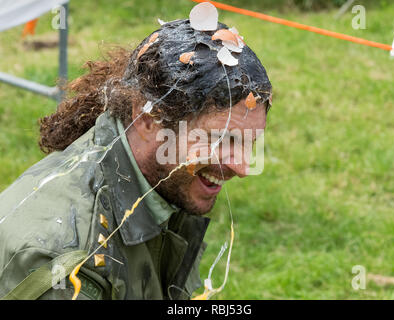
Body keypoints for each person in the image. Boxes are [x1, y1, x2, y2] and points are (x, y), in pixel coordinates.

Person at [0, 17, 272, 300]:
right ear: (147, 119)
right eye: (220, 138)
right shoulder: (68, 265)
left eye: (249, 142)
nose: (241, 167)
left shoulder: (158, 181)